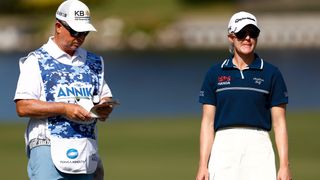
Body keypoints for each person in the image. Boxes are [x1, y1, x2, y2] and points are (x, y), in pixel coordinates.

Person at [14, 0, 114, 179]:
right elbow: (23, 107)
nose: (80, 37)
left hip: (85, 149)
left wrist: (104, 108)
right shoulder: (36, 60)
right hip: (47, 147)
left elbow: (105, 96)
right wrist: (65, 108)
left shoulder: (94, 62)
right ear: (58, 26)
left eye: (84, 33)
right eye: (75, 31)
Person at [195, 11, 292, 180]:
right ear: (231, 37)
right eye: (241, 33)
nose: (247, 38)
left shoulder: (271, 73)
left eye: (252, 33)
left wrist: (284, 165)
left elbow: (279, 123)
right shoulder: (215, 73)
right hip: (223, 146)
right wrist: (203, 165)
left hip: (259, 146)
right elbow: (208, 123)